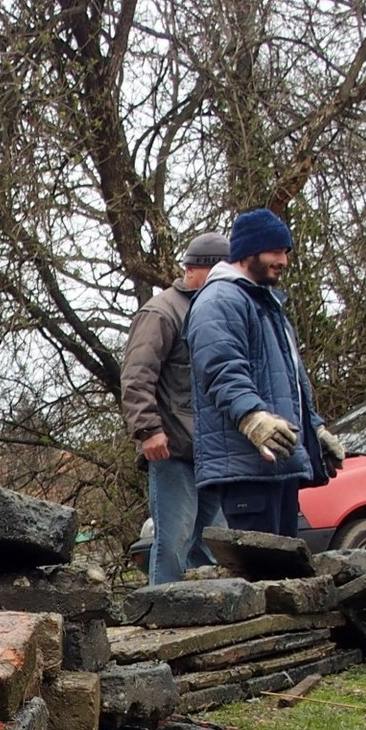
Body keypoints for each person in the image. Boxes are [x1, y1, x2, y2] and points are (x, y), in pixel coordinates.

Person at [184, 207, 343, 537]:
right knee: (259, 566)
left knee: (283, 567)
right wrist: (252, 418)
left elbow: (290, 383)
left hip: (278, 464)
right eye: (275, 252)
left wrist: (314, 430)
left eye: (285, 252)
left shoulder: (266, 304)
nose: (283, 261)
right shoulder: (219, 300)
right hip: (248, 468)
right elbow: (221, 370)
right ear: (247, 252)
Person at [120, 231, 230, 583]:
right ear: (194, 270)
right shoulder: (161, 311)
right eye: (218, 271)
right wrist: (148, 430)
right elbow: (136, 375)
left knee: (214, 545)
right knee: (173, 544)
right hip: (172, 449)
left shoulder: (219, 311)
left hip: (214, 452)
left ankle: (209, 613)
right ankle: (161, 611)